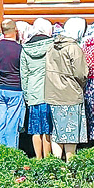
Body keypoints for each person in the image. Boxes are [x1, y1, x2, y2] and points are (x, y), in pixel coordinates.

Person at [43, 17, 89, 160]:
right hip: (71, 94)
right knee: (71, 132)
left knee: (57, 131)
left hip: (53, 93)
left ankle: (56, 163)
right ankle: (70, 163)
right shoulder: (74, 48)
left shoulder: (52, 46)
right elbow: (81, 73)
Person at [20, 18, 54, 158]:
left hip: (33, 91)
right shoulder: (52, 45)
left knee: (35, 129)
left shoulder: (25, 48)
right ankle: (47, 158)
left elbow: (24, 74)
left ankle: (38, 159)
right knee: (48, 129)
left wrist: (26, 94)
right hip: (50, 90)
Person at [0, 23, 25, 148]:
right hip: (15, 88)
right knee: (12, 123)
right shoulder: (20, 49)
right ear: (15, 30)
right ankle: (11, 150)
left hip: (0, 87)